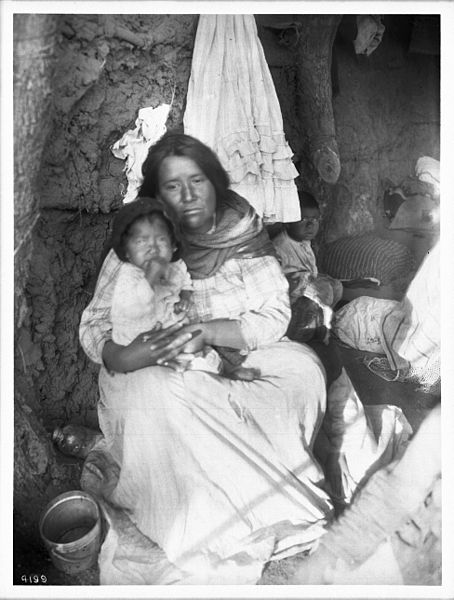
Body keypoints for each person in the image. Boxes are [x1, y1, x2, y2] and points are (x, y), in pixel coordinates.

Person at [79, 133, 407, 584]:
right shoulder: (141, 234)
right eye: (173, 186)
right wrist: (125, 353)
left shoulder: (238, 226)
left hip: (238, 348)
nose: (188, 195)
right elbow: (94, 324)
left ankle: (271, 495)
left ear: (215, 180)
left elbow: (273, 313)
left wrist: (209, 332)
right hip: (153, 365)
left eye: (197, 180)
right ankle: (229, 518)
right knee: (165, 394)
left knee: (303, 369)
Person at [272, 191, 343, 340]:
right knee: (323, 291)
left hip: (303, 294)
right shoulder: (280, 247)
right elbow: (279, 286)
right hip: (288, 305)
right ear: (288, 222)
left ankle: (319, 323)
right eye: (303, 219)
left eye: (315, 219)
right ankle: (296, 333)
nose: (311, 225)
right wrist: (308, 285)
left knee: (336, 286)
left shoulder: (304, 242)